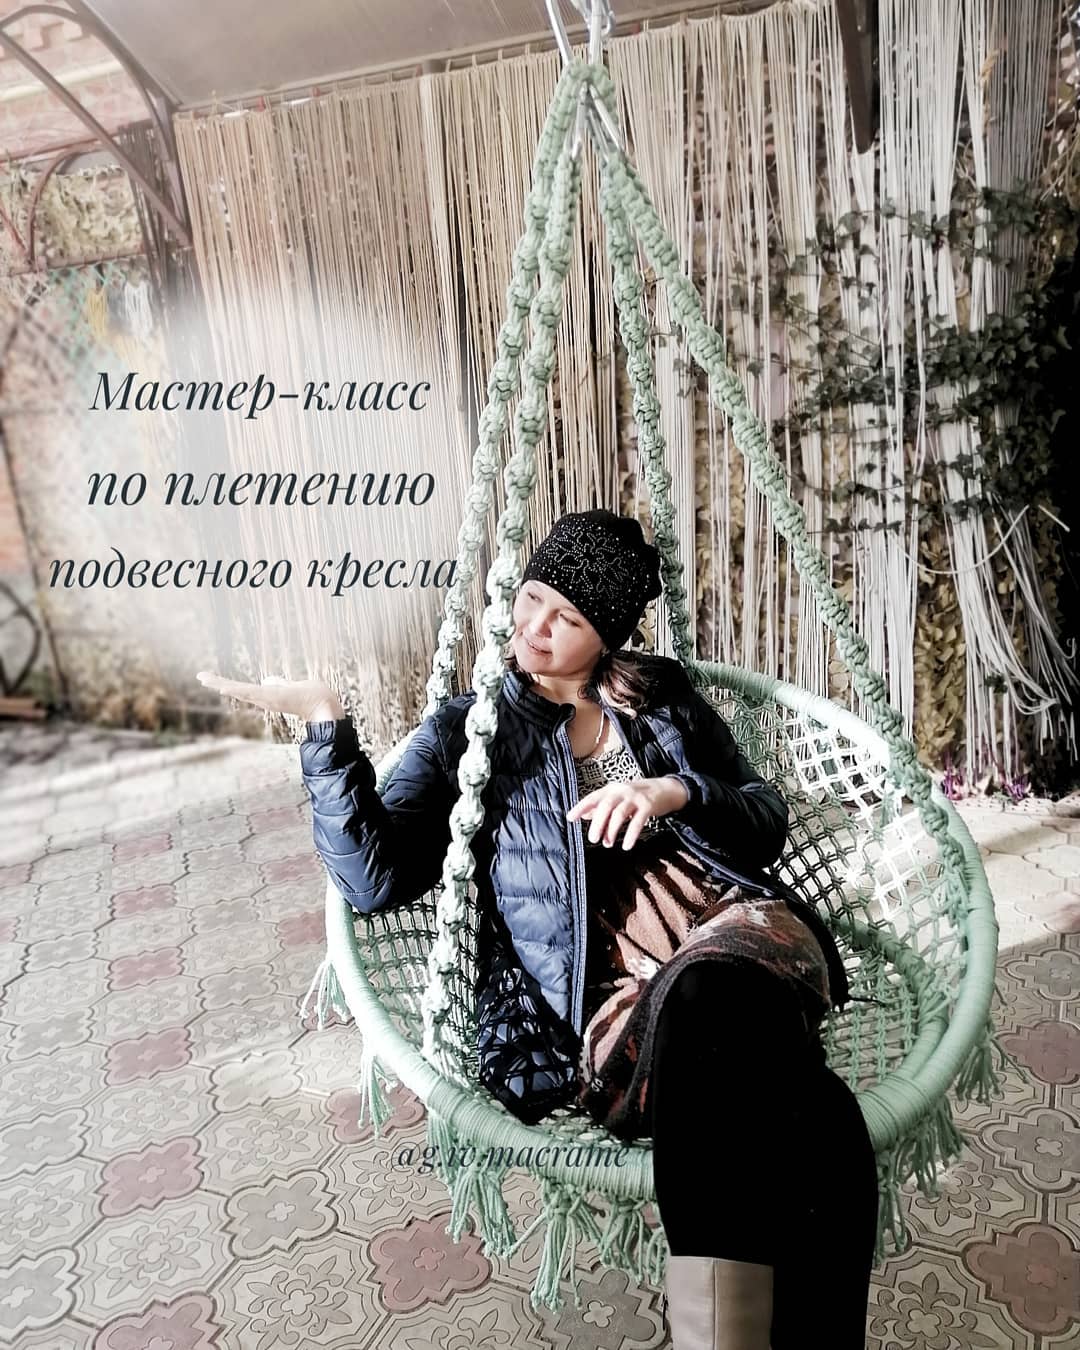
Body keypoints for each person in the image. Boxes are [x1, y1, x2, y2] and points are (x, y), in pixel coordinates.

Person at [197, 508, 878, 1350]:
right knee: (812, 1110)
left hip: (740, 929)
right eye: (531, 599)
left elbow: (763, 817)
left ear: (607, 636)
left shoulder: (659, 699)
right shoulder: (471, 733)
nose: (535, 629)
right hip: (619, 1001)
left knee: (715, 999)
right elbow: (374, 879)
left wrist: (675, 792)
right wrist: (323, 724)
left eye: (568, 618)